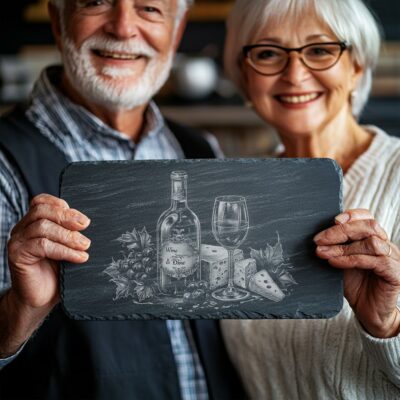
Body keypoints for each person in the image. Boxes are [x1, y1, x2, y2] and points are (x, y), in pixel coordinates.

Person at [0, 1, 244, 399]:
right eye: (96, 2)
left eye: (149, 8)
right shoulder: (4, 160)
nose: (123, 27)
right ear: (58, 22)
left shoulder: (199, 149)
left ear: (176, 32)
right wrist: (21, 309)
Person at [222, 0, 400, 399]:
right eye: (268, 53)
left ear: (356, 67)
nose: (295, 74)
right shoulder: (234, 196)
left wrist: (387, 325)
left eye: (320, 50)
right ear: (245, 77)